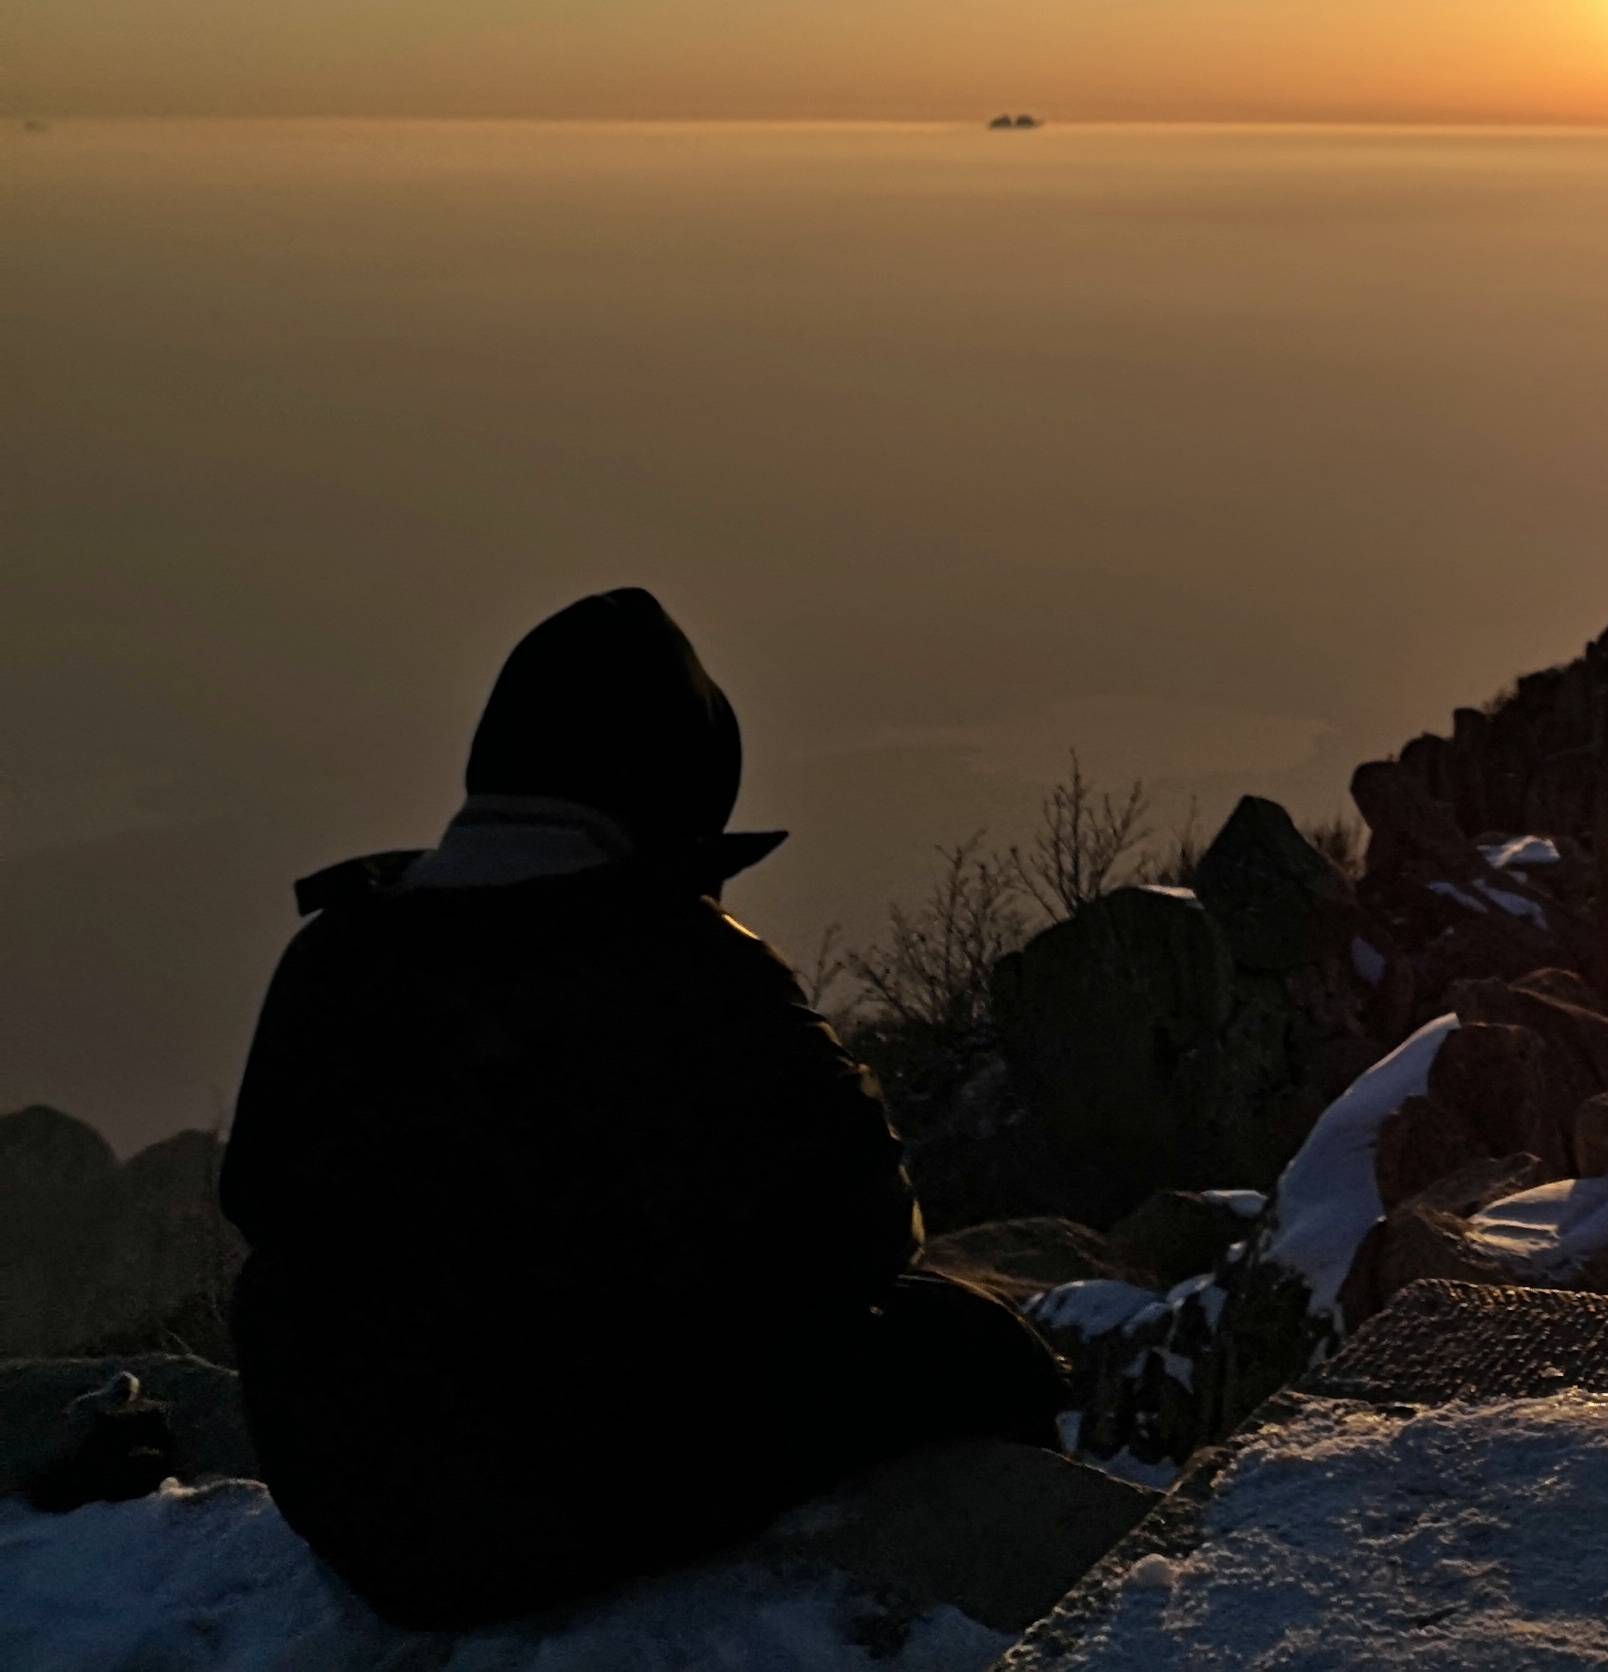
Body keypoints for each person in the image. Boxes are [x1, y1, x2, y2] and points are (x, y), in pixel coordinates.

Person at [218, 588, 1065, 1630]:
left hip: (365, 1516)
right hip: (571, 1501)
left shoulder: (334, 956)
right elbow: (868, 1233)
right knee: (977, 1350)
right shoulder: (692, 967)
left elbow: (260, 1199)